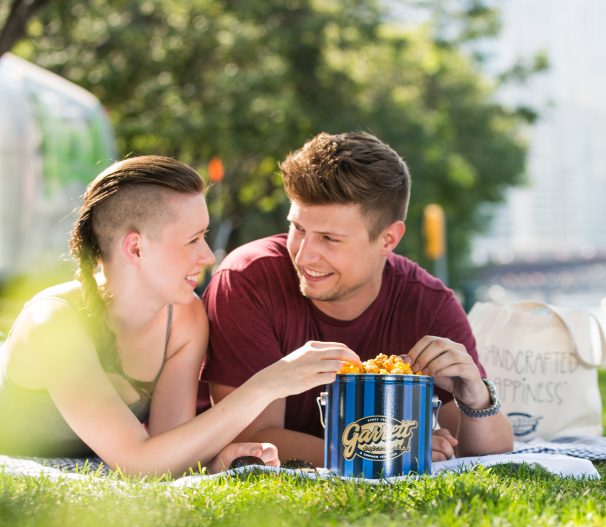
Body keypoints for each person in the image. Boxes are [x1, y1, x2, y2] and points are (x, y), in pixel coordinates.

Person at [0, 155, 358, 475]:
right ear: (136, 247)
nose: (207, 256)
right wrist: (268, 384)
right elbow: (138, 464)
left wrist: (216, 462)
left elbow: (168, 453)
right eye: (192, 240)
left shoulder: (183, 318)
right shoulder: (54, 322)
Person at [203, 131, 513, 464]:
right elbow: (252, 439)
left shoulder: (428, 303)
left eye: (329, 239)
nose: (305, 257)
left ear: (388, 239)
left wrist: (475, 396)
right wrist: (390, 454)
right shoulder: (248, 280)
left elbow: (483, 452)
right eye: (298, 229)